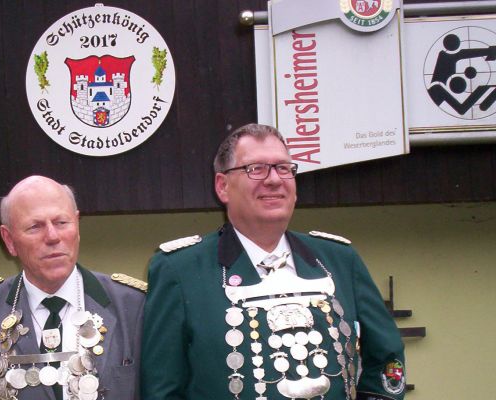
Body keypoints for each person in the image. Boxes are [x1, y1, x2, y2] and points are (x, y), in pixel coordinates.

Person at [141, 124, 406, 400]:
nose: (274, 180)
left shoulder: (339, 259)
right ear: (223, 186)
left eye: (284, 168)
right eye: (255, 168)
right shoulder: (179, 269)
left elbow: (387, 357)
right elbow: (162, 390)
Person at [0, 175, 145, 400]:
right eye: (35, 226)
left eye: (61, 222)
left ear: (77, 225)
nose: (53, 236)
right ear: (9, 240)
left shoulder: (132, 305)